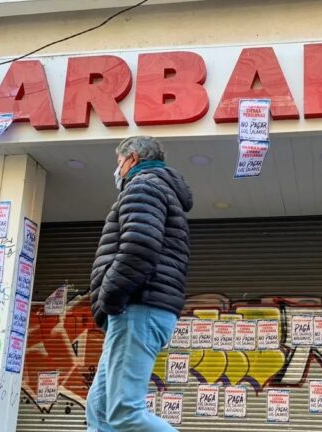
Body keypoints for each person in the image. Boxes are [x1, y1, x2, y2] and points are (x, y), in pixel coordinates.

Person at [87, 136, 193, 431]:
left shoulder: (144, 186)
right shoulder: (157, 189)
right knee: (100, 413)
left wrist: (110, 298)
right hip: (137, 309)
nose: (117, 169)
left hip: (137, 308)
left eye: (118, 162)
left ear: (132, 158)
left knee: (124, 413)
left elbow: (140, 247)